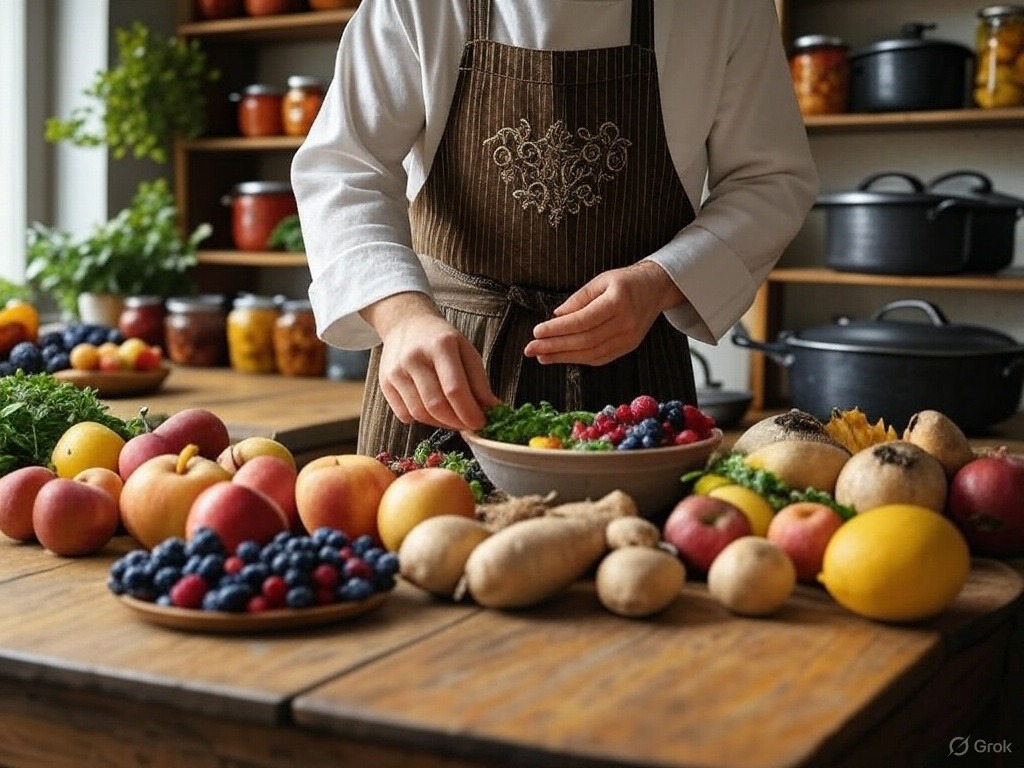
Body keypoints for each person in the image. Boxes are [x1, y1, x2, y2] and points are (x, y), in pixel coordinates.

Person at [291, 0, 818, 458]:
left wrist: (662, 279)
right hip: (444, 375)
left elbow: (769, 180)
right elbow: (343, 169)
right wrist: (401, 317)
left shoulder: (724, 9)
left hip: (633, 389)